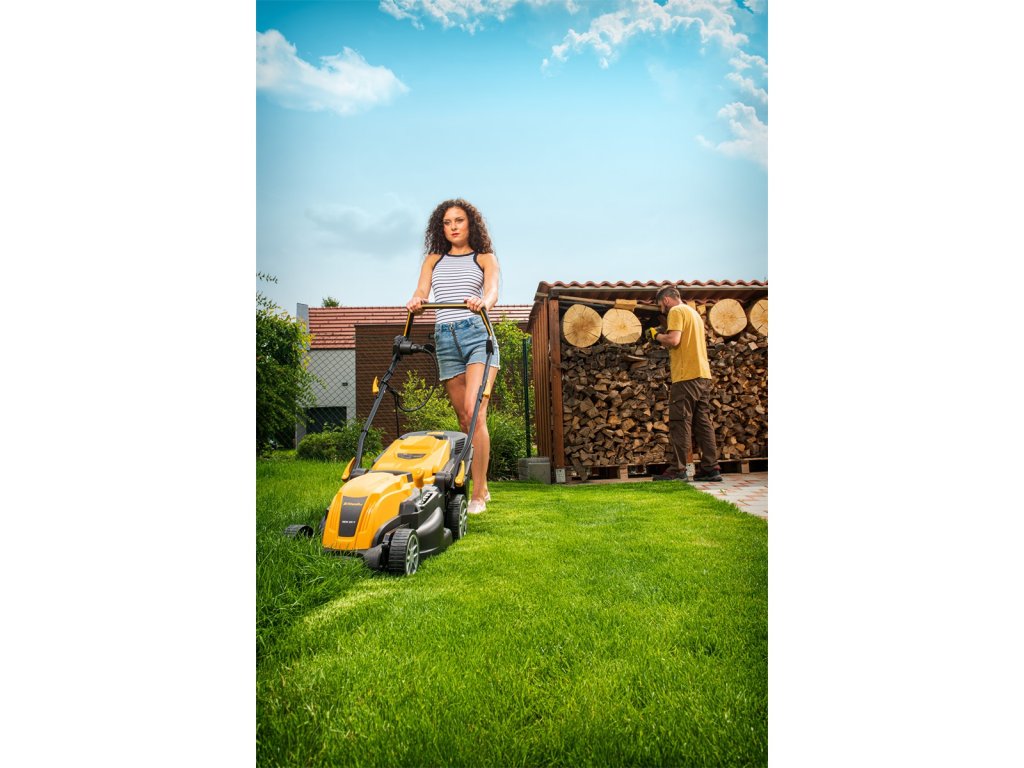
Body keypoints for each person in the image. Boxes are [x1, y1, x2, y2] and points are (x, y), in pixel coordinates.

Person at [406, 199, 500, 514]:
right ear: (441, 227)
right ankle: (477, 484)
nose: (453, 227)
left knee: (475, 412)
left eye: (459, 220)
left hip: (477, 335)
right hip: (445, 338)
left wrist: (483, 301)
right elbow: (422, 291)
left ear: (471, 223)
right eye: (447, 222)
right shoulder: (433, 259)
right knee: (463, 419)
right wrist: (417, 301)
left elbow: (492, 291)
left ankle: (479, 491)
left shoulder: (484, 258)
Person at [649, 285, 723, 482]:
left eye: (660, 305)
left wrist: (656, 336)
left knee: (680, 422)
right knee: (703, 423)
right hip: (702, 375)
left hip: (686, 376)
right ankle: (711, 468)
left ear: (666, 300)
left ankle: (678, 470)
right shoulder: (694, 314)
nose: (662, 310)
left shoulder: (676, 311)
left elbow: (674, 340)